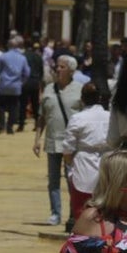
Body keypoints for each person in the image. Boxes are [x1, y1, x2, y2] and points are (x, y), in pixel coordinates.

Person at [33, 54, 83, 226]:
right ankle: (55, 213)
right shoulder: (48, 89)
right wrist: (37, 139)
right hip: (52, 141)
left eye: (62, 67)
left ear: (71, 70)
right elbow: (42, 116)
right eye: (57, 67)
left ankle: (73, 214)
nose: (58, 70)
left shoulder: (80, 89)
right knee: (53, 180)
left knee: (72, 180)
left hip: (72, 143)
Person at [60, 82, 112, 222]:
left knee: (81, 210)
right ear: (100, 98)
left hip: (83, 164)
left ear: (82, 99)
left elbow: (67, 149)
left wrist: (70, 168)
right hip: (106, 163)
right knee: (105, 210)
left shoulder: (78, 118)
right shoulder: (110, 116)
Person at [0, 36, 30, 134]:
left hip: (4, 84)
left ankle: (1, 126)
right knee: (13, 106)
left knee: (1, 106)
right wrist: (22, 82)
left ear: (8, 46)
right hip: (16, 85)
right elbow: (27, 73)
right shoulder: (22, 58)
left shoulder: (3, 56)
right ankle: (10, 127)